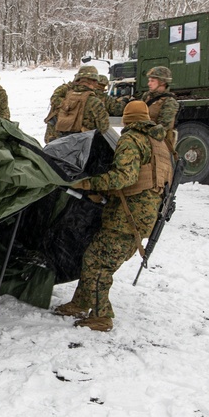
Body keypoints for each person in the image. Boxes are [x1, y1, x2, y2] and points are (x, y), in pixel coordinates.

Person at [53, 100, 172, 331]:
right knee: (94, 256)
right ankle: (81, 302)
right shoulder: (160, 142)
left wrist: (89, 183)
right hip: (145, 216)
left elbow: (123, 178)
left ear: (126, 119)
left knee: (98, 264)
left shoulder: (131, 139)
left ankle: (101, 316)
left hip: (127, 218)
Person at [44, 65, 109, 143]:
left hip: (57, 146)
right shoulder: (94, 102)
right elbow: (104, 127)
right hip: (82, 148)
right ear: (94, 81)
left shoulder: (61, 98)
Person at [136, 66, 179, 153]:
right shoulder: (146, 96)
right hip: (142, 143)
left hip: (158, 148)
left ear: (162, 82)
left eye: (152, 81)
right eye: (149, 80)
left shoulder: (170, 102)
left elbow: (161, 130)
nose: (149, 84)